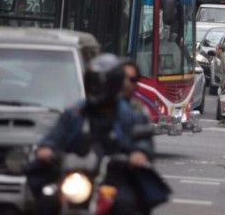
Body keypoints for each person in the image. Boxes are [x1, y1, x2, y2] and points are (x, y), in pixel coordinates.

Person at [30, 54, 156, 215]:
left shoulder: (131, 114)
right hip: (75, 178)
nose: (97, 87)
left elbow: (142, 140)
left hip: (114, 178)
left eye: (102, 83)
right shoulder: (75, 112)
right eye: (93, 82)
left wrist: (139, 153)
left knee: (126, 205)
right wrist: (47, 148)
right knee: (46, 202)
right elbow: (56, 135)